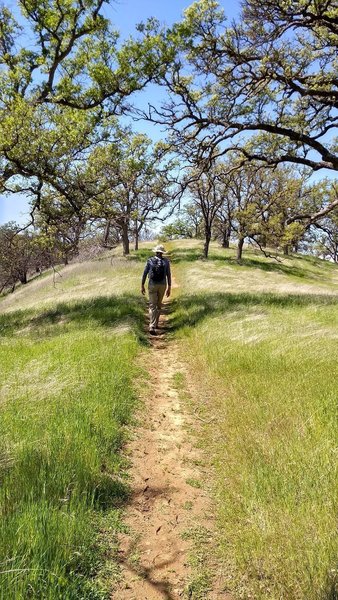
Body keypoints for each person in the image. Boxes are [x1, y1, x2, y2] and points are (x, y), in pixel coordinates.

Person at [141, 244, 171, 335]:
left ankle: (152, 325)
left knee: (152, 305)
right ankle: (155, 324)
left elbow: (145, 273)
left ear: (156, 252)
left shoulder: (150, 260)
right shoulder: (166, 261)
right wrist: (169, 287)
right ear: (162, 253)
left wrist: (142, 285)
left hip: (152, 285)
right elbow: (168, 275)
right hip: (162, 285)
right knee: (158, 305)